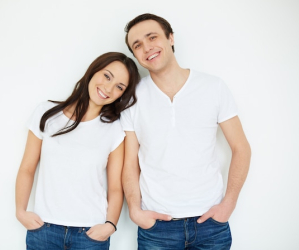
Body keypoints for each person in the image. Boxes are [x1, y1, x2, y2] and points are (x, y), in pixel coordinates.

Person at [121, 13, 251, 250]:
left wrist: (228, 204)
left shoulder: (213, 87)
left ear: (170, 38)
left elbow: (241, 148)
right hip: (157, 228)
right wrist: (135, 210)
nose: (147, 48)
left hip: (210, 224)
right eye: (137, 45)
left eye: (152, 37)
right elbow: (129, 162)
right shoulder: (132, 99)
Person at [15, 52, 140, 250]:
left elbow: (115, 187)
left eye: (119, 87)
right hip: (44, 230)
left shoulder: (115, 129)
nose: (108, 88)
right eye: (107, 76)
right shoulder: (47, 114)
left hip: (90, 235)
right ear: (93, 71)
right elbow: (27, 168)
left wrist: (110, 225)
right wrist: (21, 211)